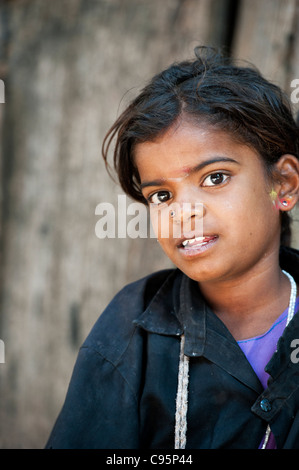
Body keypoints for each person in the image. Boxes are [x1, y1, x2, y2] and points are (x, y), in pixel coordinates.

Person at [46, 46, 299, 449]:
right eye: (161, 195)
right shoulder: (131, 329)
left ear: (282, 184)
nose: (183, 212)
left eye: (215, 178)